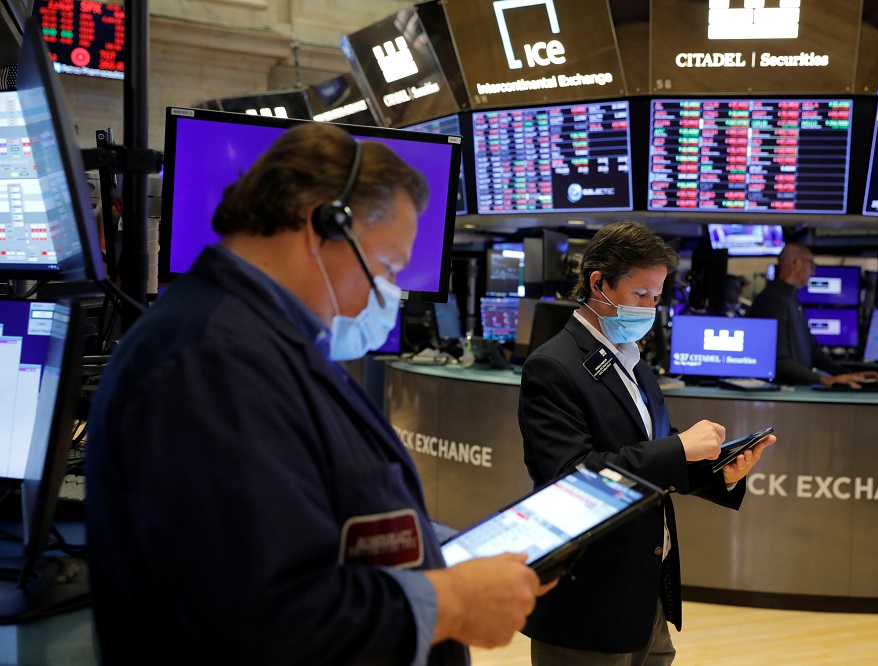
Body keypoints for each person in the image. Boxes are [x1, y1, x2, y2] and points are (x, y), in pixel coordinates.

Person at [85, 122, 550, 665]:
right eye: (385, 267)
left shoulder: (263, 343)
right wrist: (452, 601)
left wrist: (435, 547)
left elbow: (311, 517)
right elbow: (264, 625)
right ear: (323, 224)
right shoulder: (211, 365)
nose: (388, 292)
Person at [518, 220, 775, 665]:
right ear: (598, 283)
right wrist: (679, 449)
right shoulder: (552, 366)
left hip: (646, 588)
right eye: (640, 295)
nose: (649, 308)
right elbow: (572, 477)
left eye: (656, 297)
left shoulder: (631, 358)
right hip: (587, 599)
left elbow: (648, 445)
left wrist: (717, 471)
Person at [747, 243, 878, 387]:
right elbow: (779, 360)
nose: (813, 272)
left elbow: (813, 351)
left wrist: (847, 374)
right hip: (781, 392)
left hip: (796, 389)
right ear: (796, 264)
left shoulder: (792, 300)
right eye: (811, 265)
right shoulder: (772, 302)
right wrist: (824, 380)